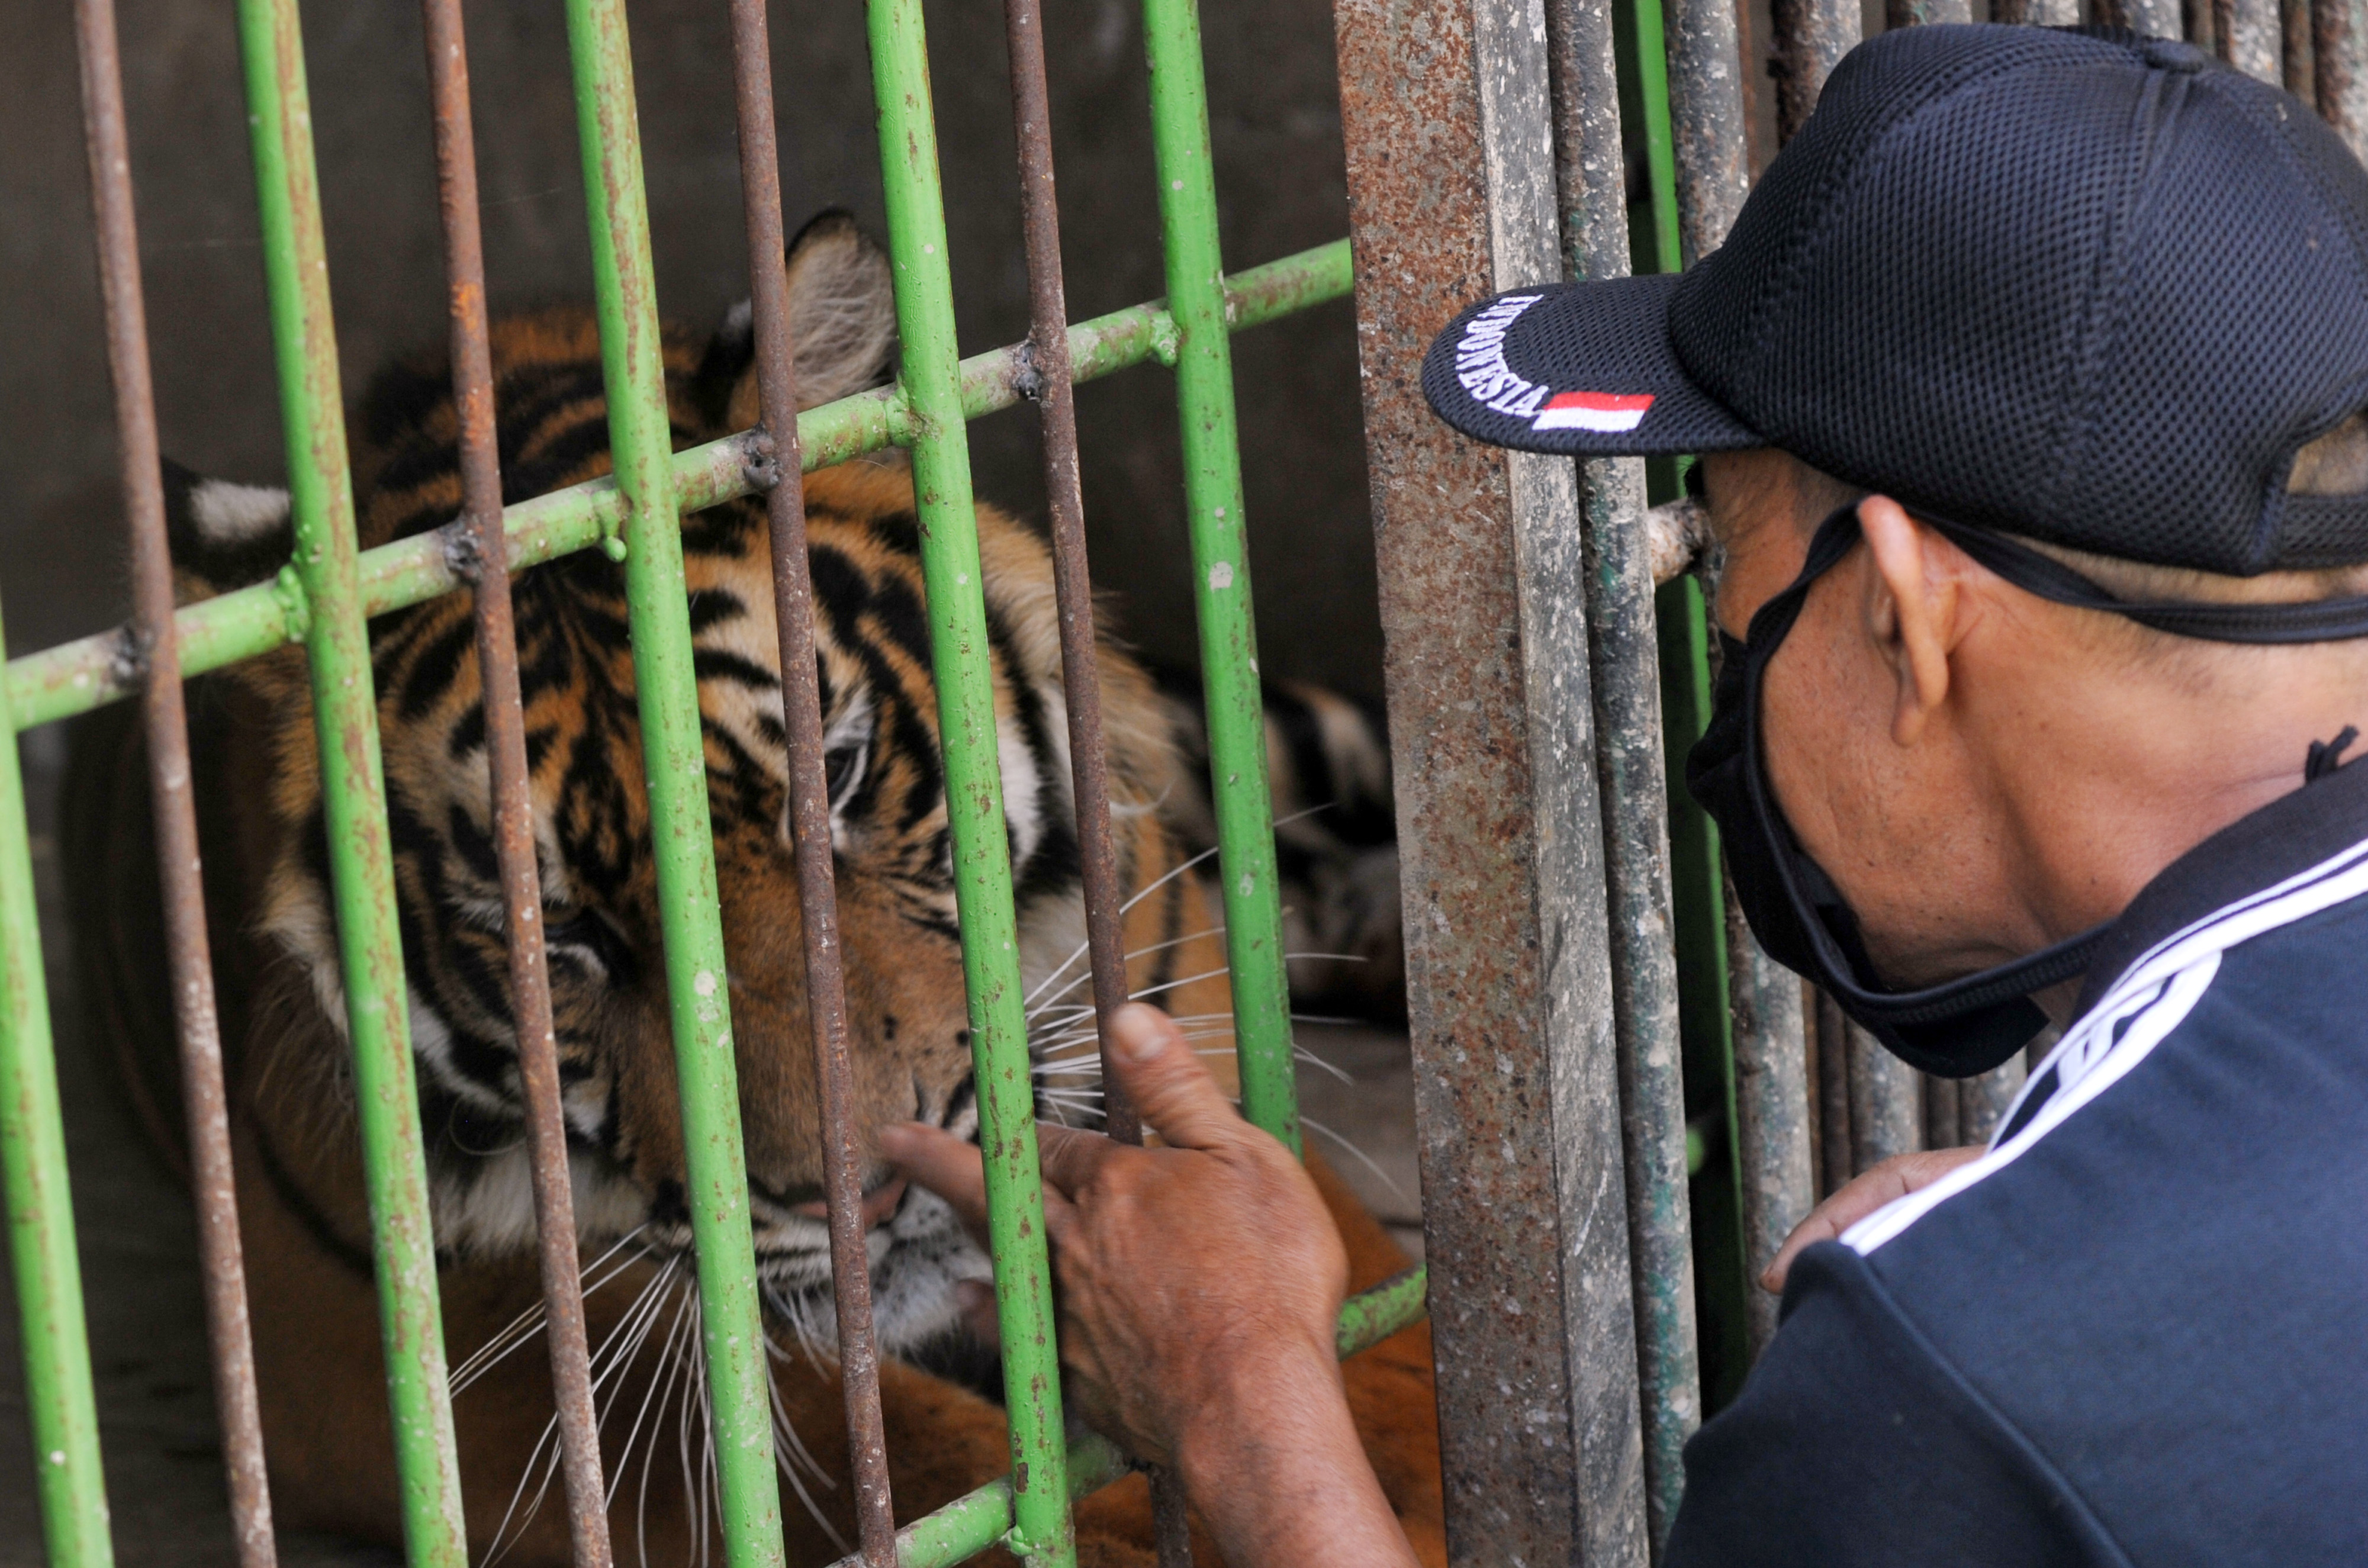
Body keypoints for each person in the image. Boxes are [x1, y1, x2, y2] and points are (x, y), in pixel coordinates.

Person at [885, 24, 2368, 1564]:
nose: (1721, 640)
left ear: (1909, 619)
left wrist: (1242, 1408)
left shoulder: (1964, 1381)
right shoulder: (2045, 1329)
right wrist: (2068, 1216)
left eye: (1731, 579)